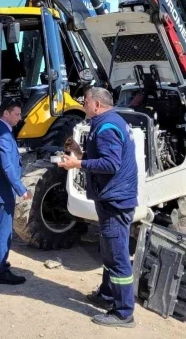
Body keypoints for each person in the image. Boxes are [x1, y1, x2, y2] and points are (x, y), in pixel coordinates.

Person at [57, 87, 138, 328]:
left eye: (85, 102)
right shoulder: (108, 122)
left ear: (97, 105)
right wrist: (78, 151)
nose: (83, 105)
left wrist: (77, 163)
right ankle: (106, 294)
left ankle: (124, 312)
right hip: (112, 198)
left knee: (117, 255)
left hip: (115, 200)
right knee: (109, 250)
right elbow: (104, 156)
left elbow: (110, 164)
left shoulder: (107, 127)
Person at [0, 99, 32, 285]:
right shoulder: (3, 134)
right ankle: (1, 270)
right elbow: (7, 165)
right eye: (17, 114)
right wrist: (21, 189)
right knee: (3, 230)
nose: (19, 118)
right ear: (6, 113)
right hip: (4, 190)